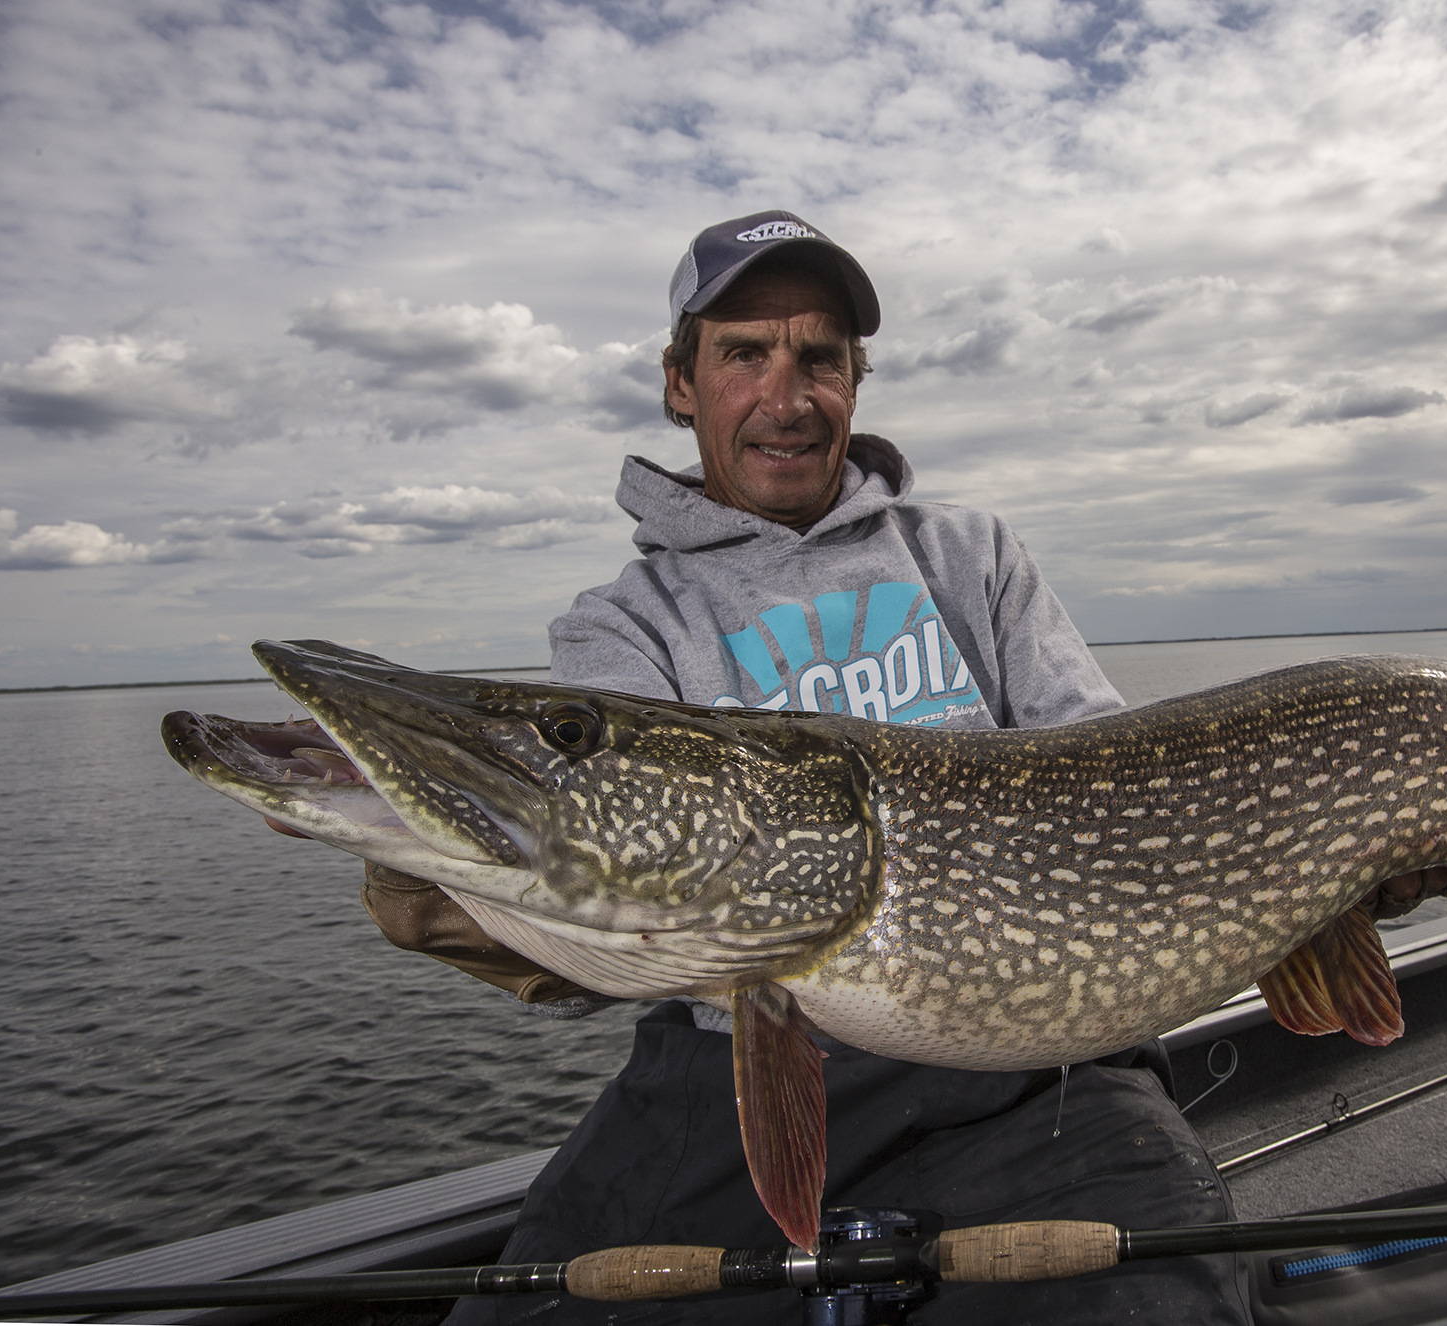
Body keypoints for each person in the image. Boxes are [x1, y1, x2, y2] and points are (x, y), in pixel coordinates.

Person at [370, 212, 1256, 1325]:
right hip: (730, 1068)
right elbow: (615, 895)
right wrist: (462, 893)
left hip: (1036, 1079)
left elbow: (1126, 795)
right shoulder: (626, 629)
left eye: (818, 358)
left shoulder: (966, 557)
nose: (785, 398)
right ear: (679, 383)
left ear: (854, 381)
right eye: (744, 353)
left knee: (1170, 1306)